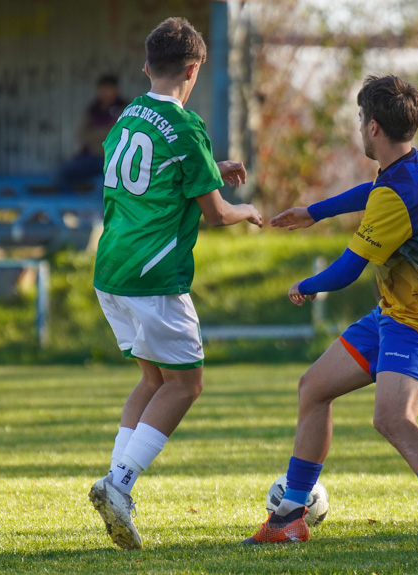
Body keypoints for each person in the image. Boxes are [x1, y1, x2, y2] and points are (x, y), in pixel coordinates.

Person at [241, 75, 418, 552]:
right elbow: (370, 194)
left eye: (358, 120)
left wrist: (306, 286)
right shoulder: (416, 165)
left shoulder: (397, 197)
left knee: (393, 418)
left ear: (373, 127)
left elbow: (350, 268)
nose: (357, 128)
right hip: (394, 312)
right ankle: (291, 513)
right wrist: (315, 212)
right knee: (314, 388)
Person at [88, 16, 263, 551]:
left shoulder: (125, 119)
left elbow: (158, 176)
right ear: (193, 69)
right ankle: (118, 484)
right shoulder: (187, 130)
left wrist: (211, 166)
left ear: (146, 67)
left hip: (111, 270)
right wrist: (247, 210)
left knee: (152, 382)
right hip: (153, 275)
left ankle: (116, 484)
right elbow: (214, 214)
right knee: (185, 385)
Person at [55, 74, 126, 191]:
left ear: (116, 90)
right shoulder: (93, 108)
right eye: (103, 89)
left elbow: (113, 135)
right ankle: (73, 206)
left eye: (109, 89)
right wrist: (100, 136)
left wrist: (94, 134)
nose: (105, 93)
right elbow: (80, 133)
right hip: (90, 156)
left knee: (108, 186)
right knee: (59, 173)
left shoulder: (125, 108)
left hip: (113, 159)